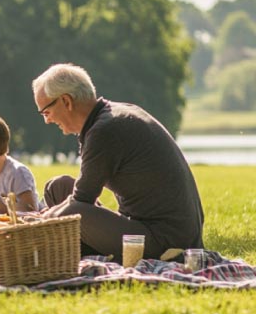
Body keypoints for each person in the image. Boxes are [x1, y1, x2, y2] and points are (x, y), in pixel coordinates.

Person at [32, 63, 205, 263]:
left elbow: (82, 199)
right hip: (148, 228)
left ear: (66, 101)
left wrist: (37, 222)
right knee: (58, 187)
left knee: (73, 211)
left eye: (46, 112)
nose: (47, 121)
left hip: (168, 240)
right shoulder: (113, 115)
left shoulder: (104, 131)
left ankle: (60, 252)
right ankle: (75, 250)